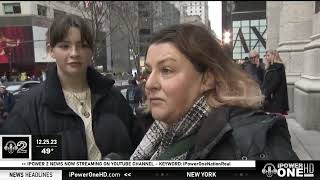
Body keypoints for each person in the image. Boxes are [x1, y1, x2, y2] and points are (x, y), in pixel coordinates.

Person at [130, 24, 298, 160]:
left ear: (207, 79)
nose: (149, 83)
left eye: (166, 70)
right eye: (148, 71)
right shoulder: (157, 131)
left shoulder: (255, 147)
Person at [1, 15, 143, 160]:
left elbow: (141, 152)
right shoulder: (28, 108)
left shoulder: (114, 99)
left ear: (91, 51)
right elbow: (12, 166)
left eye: (82, 45)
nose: (74, 53)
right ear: (51, 50)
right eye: (65, 46)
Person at [262, 49, 289, 115]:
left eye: (268, 55)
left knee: (275, 118)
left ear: (274, 55)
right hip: (273, 97)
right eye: (266, 56)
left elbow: (275, 83)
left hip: (275, 98)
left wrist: (265, 94)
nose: (266, 57)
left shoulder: (277, 67)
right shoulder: (272, 67)